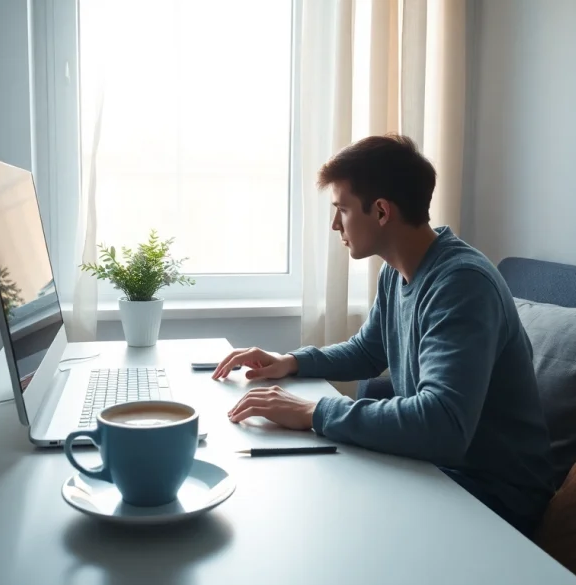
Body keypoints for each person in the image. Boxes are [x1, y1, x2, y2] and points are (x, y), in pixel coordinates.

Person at [212, 134, 556, 536]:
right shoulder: (397, 270)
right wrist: (291, 361)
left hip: (496, 496)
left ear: (380, 212)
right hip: (442, 472)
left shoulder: (462, 284)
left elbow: (443, 424)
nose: (334, 224)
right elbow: (369, 349)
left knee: (321, 515)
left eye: (341, 208)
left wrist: (314, 412)